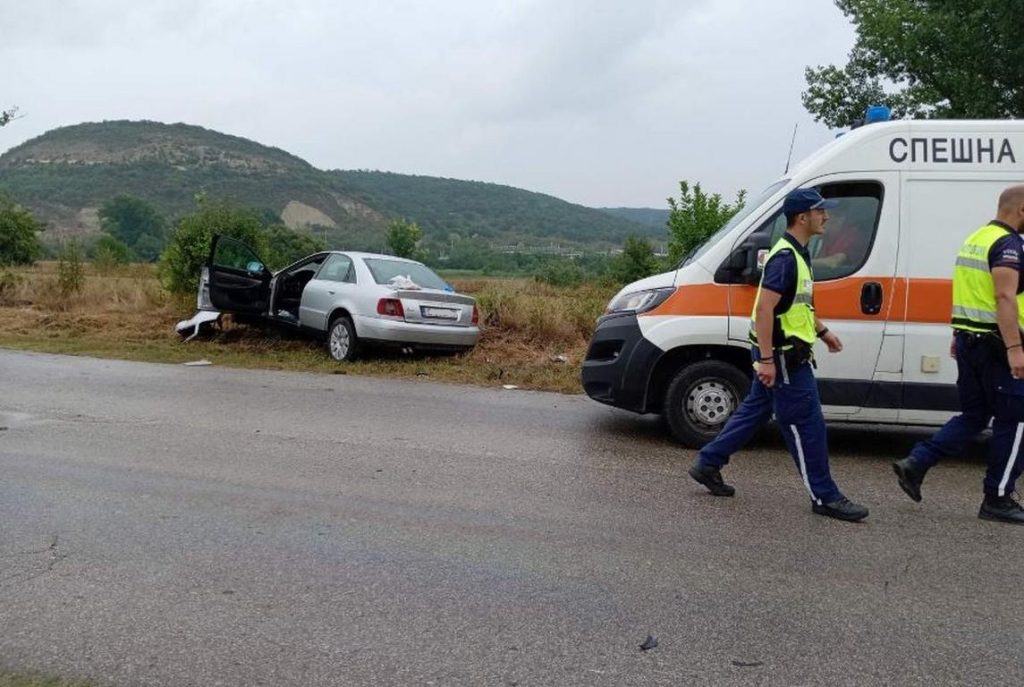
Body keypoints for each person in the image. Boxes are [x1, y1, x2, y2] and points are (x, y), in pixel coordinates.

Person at [688, 187, 869, 522]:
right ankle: (825, 496)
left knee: (755, 411)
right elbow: (765, 310)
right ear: (802, 217)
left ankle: (708, 462)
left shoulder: (799, 254)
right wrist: (769, 360)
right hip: (784, 357)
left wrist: (823, 332)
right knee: (807, 425)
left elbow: (796, 306)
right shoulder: (785, 258)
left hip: (783, 353)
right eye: (820, 211)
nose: (826, 216)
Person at [893, 185, 1024, 524]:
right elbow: (1004, 297)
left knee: (974, 415)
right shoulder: (1009, 245)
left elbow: (968, 291)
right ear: (1021, 210)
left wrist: (957, 334)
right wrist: (1015, 348)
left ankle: (917, 463)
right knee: (1016, 420)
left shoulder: (976, 238)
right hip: (998, 347)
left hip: (970, 342)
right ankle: (997, 497)